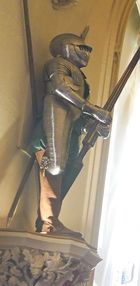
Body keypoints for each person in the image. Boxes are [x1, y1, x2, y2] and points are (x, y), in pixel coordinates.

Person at [35, 31, 113, 236]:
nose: (86, 53)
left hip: (72, 123)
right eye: (82, 48)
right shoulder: (58, 64)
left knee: (70, 166)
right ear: (66, 46)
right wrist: (94, 111)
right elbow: (61, 89)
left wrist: (97, 124)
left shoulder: (81, 78)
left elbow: (80, 110)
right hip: (56, 112)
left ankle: (52, 219)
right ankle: (48, 222)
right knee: (55, 164)